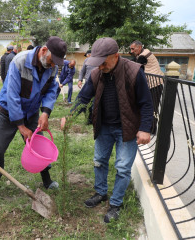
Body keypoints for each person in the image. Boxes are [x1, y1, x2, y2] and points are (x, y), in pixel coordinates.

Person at [63, 37, 153, 223]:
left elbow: (146, 103)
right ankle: (100, 192)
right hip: (104, 125)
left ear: (116, 56)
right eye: (98, 63)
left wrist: (145, 128)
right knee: (99, 161)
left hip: (126, 128)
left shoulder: (134, 71)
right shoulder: (97, 74)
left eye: (103, 62)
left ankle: (115, 203)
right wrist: (70, 117)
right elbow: (83, 98)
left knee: (122, 167)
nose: (100, 66)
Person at [0, 36, 67, 203]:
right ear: (44, 50)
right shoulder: (19, 61)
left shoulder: (51, 67)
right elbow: (12, 95)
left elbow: (51, 90)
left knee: (39, 144)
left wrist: (45, 112)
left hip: (31, 113)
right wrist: (20, 125)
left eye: (56, 63)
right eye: (51, 60)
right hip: (7, 112)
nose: (53, 65)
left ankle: (47, 180)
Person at [130, 40, 164, 134]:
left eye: (133, 49)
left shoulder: (143, 55)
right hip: (151, 84)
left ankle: (152, 129)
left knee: (152, 108)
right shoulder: (142, 54)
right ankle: (146, 127)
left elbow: (135, 66)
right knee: (146, 106)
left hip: (155, 84)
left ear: (139, 47)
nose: (132, 51)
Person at [78, 49, 96, 124]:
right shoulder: (86, 61)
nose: (87, 56)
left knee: (95, 102)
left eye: (87, 55)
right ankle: (88, 119)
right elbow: (82, 71)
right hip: (88, 84)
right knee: (86, 102)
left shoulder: (99, 60)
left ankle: (95, 120)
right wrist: (80, 80)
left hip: (97, 84)